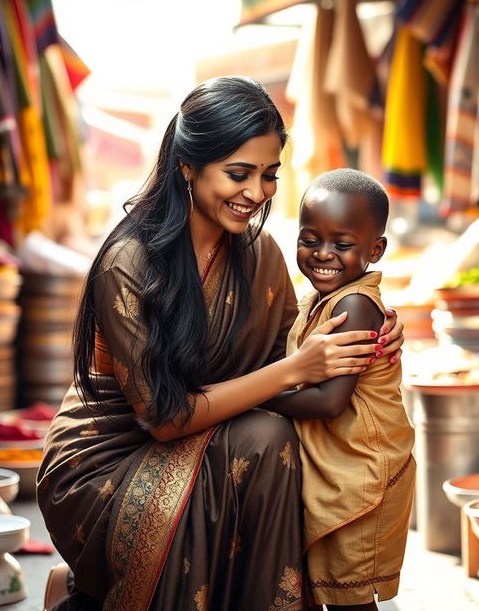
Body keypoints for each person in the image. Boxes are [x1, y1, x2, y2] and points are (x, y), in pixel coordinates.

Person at [37, 77, 405, 611]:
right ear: (187, 166)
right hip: (111, 456)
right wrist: (293, 370)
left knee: (281, 440)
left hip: (215, 432)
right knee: (266, 439)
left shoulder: (258, 254)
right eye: (238, 173)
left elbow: (295, 353)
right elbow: (164, 419)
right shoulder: (131, 264)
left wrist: (369, 328)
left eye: (269, 175)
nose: (256, 193)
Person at [264, 169, 415, 611]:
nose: (322, 254)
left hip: (365, 473)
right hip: (343, 472)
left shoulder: (354, 305)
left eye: (342, 244)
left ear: (375, 249)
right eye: (310, 239)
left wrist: (252, 393)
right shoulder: (318, 299)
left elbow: (330, 401)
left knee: (353, 600)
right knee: (336, 592)